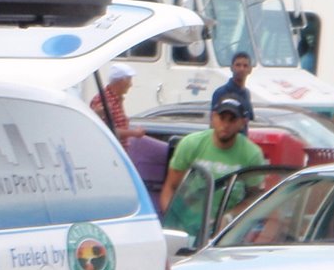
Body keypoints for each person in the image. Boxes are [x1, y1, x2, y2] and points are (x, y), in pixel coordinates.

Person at [159, 97, 266, 233]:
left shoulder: (252, 154)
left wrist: (229, 217)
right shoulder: (191, 144)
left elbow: (254, 198)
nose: (225, 125)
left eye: (232, 120)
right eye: (222, 118)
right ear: (213, 118)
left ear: (242, 123)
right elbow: (170, 188)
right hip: (187, 226)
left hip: (225, 231)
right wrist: (173, 222)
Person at [89, 64, 146, 142]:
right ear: (120, 82)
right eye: (129, 80)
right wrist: (134, 133)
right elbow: (107, 131)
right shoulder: (103, 101)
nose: (130, 84)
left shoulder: (117, 99)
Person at [210, 50, 255, 129]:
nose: (241, 69)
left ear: (250, 70)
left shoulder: (246, 94)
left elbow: (248, 120)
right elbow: (214, 123)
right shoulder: (220, 93)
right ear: (231, 68)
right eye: (238, 65)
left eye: (245, 66)